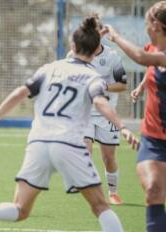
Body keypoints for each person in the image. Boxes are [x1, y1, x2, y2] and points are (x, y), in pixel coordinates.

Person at [0, 17, 139, 232]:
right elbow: (101, 102)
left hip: (38, 143)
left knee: (20, 208)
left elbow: (21, 92)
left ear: (72, 46)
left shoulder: (49, 68)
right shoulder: (92, 76)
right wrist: (124, 127)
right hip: (69, 144)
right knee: (101, 206)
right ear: (94, 53)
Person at [105, 1, 166, 231]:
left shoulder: (153, 54)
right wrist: (142, 87)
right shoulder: (153, 50)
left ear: (156, 25)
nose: (145, 29)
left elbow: (142, 58)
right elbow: (150, 63)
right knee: (153, 190)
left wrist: (116, 36)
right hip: (153, 140)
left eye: (146, 24)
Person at [67, 14, 127, 205]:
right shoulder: (73, 56)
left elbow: (123, 85)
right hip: (84, 112)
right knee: (85, 149)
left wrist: (103, 87)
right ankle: (87, 185)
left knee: (108, 157)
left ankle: (113, 191)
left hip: (106, 113)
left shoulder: (112, 56)